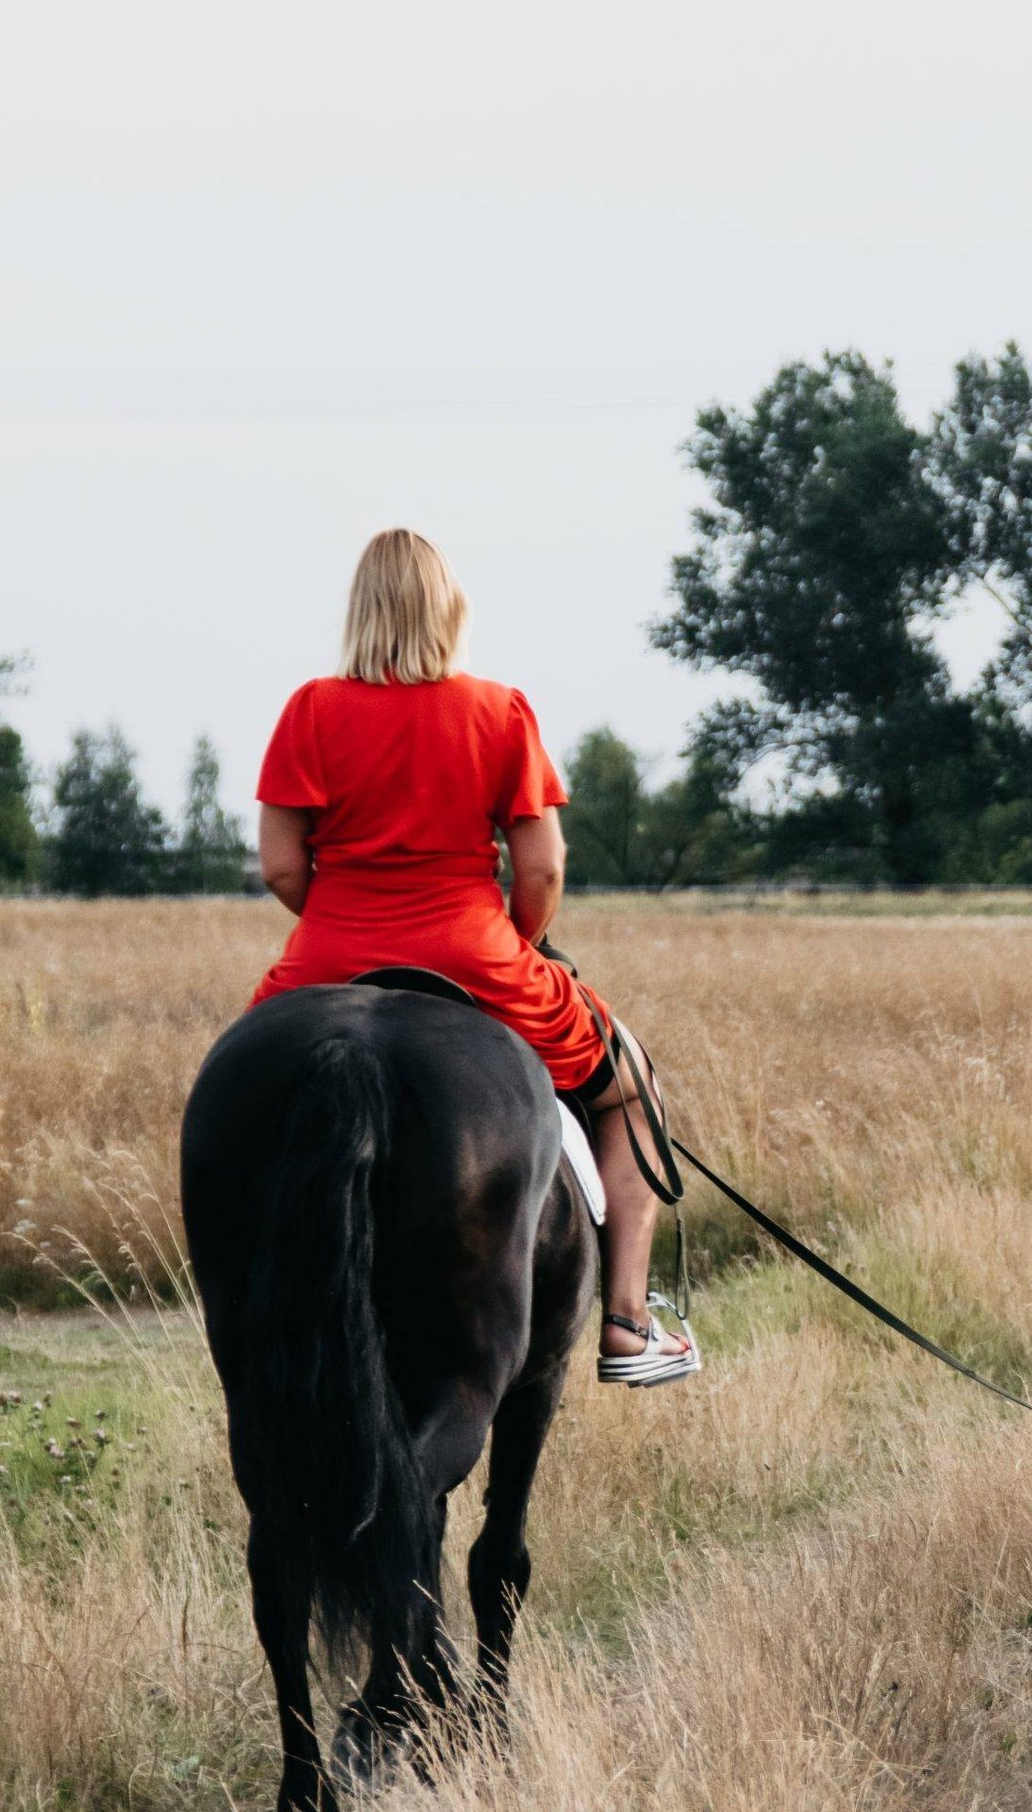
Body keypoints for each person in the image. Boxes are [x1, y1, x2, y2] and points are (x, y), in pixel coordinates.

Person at [249, 527, 698, 1388]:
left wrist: (348, 917)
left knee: (242, 1096)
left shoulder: (310, 707)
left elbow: (279, 863)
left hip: (330, 956)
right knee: (630, 1083)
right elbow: (543, 866)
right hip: (477, 958)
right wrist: (517, 940)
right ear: (451, 609)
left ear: (361, 611)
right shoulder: (499, 711)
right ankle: (629, 1325)